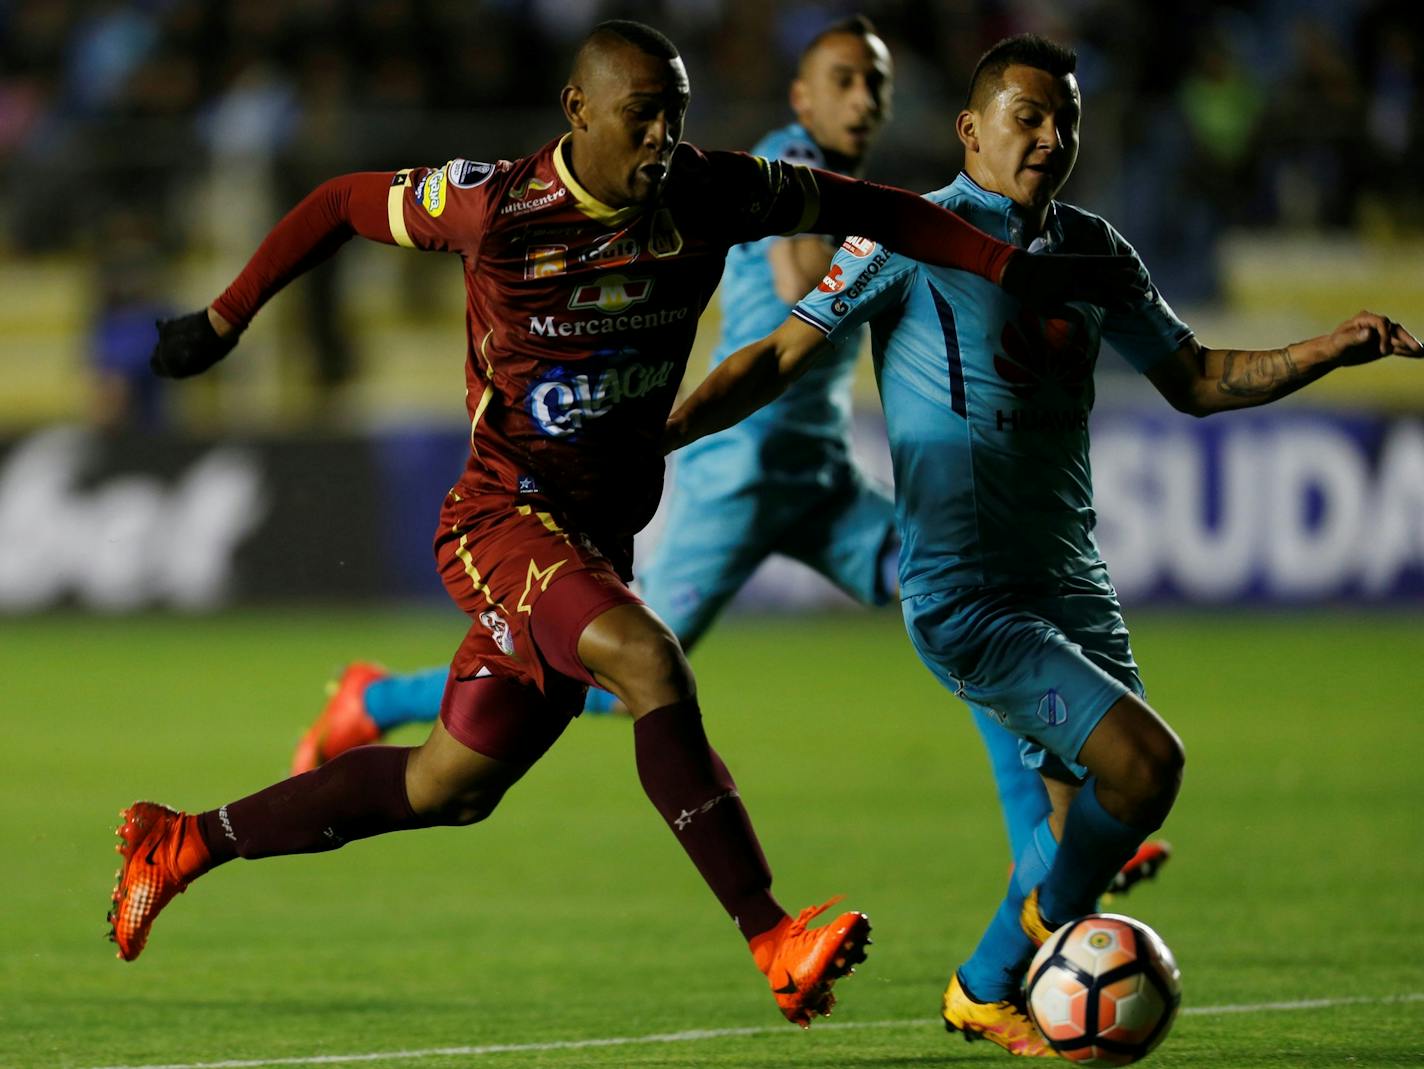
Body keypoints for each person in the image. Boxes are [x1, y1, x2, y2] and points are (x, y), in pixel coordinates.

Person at [107, 20, 1138, 1028]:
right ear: (579, 111)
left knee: (448, 783)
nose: (661, 139)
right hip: (501, 519)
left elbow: (876, 207)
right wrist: (224, 318)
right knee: (651, 662)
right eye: (642, 117)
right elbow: (337, 201)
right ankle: (771, 934)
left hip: (595, 536)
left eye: (674, 116)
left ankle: (183, 841)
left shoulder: (709, 187)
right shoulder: (492, 205)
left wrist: (1003, 265)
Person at [661, 32, 1420, 1055]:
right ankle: (1032, 939)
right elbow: (778, 356)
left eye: (1063, 118)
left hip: (1072, 586)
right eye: (1027, 115)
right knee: (1145, 768)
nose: (1049, 136)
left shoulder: (1095, 254)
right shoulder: (906, 235)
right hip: (966, 595)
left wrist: (1325, 348)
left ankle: (980, 988)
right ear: (972, 129)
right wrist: (657, 434)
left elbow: (1193, 377)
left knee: (1078, 830)